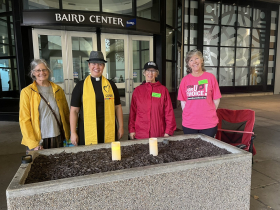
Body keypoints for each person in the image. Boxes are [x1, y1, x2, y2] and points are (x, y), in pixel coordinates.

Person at [70, 51, 124, 146]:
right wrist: (73, 132)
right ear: (89, 65)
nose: (97, 67)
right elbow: (74, 111)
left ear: (103, 66)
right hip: (87, 130)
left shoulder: (111, 85)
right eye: (94, 63)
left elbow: (118, 107)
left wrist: (121, 127)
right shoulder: (80, 86)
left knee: (109, 154)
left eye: (100, 64)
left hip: (108, 127)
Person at [19, 59, 70, 152]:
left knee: (58, 163)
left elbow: (66, 113)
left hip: (57, 135)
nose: (42, 72)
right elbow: (24, 120)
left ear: (48, 71)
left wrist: (69, 133)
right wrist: (33, 144)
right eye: (38, 70)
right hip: (38, 139)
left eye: (44, 69)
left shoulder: (58, 89)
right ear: (33, 73)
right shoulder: (26, 92)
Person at [178, 49, 221, 138]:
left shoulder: (210, 78)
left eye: (196, 58)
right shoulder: (185, 80)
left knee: (207, 149)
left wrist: (209, 111)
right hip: (189, 123)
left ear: (202, 60)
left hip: (208, 123)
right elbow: (183, 102)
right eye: (191, 60)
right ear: (189, 64)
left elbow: (216, 99)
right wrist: (190, 114)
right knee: (191, 149)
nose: (194, 62)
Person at [128, 61, 176, 140]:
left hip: (158, 133)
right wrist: (131, 129)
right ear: (144, 73)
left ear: (156, 74)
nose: (150, 73)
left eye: (153, 71)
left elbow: (169, 112)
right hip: (140, 133)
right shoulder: (137, 90)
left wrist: (168, 131)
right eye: (148, 70)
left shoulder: (163, 90)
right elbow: (133, 112)